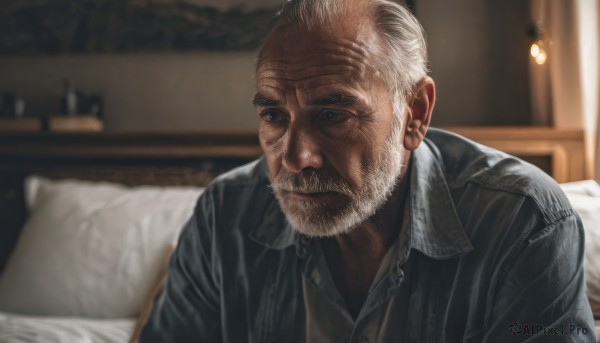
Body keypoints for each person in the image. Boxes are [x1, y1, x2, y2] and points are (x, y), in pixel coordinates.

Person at [140, 0, 596, 341]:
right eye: (274, 117)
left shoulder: (523, 223)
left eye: (332, 116)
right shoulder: (224, 217)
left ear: (414, 113)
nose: (296, 158)